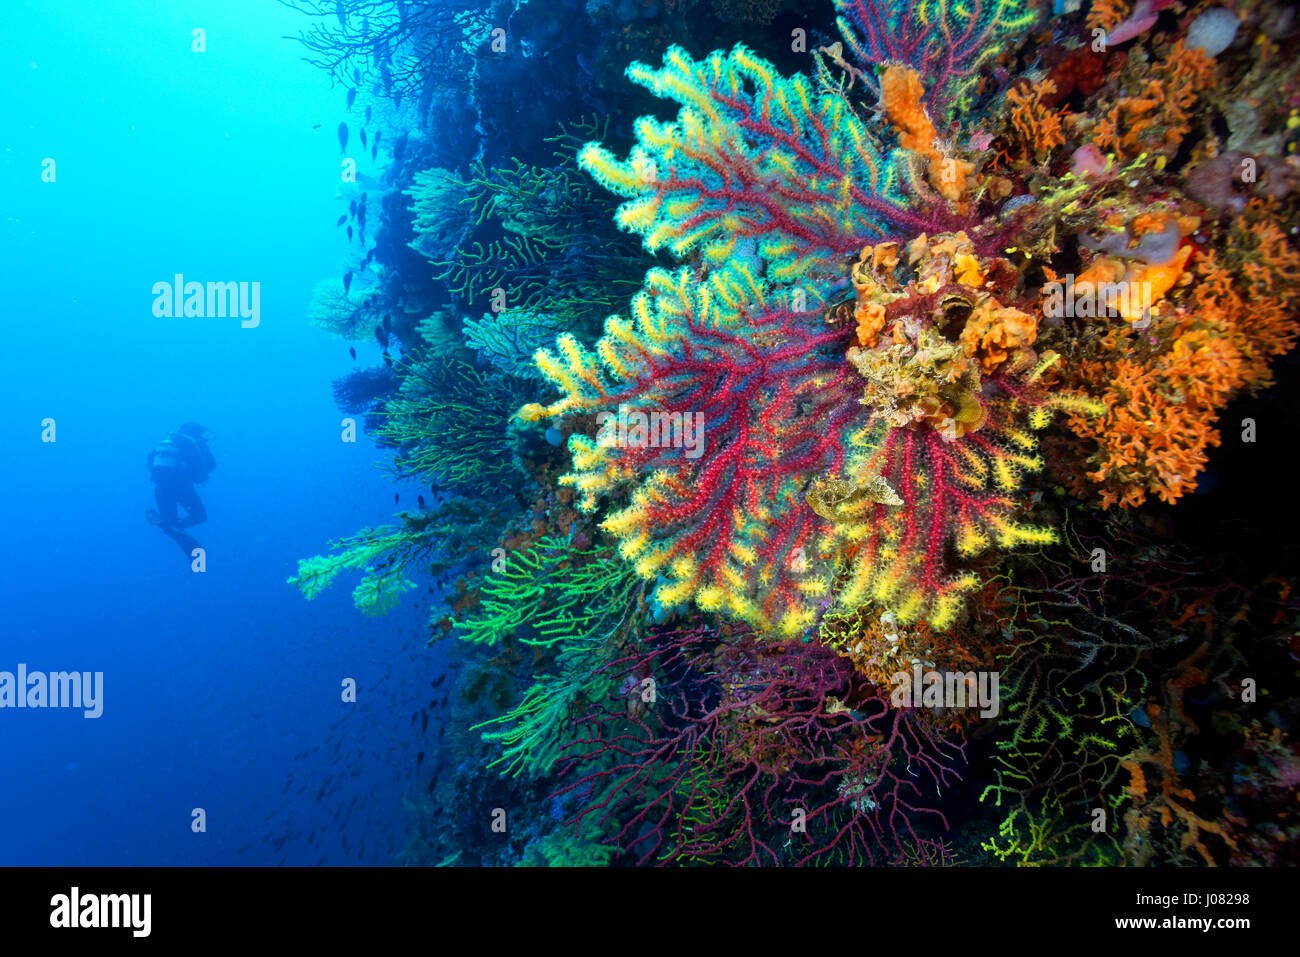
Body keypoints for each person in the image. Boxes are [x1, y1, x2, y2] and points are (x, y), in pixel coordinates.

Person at [146, 423, 216, 550]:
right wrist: (198, 477)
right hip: (181, 487)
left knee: (170, 520)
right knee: (200, 516)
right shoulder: (195, 443)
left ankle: (168, 524)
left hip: (160, 487)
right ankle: (176, 526)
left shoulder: (167, 443)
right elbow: (211, 465)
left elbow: (150, 459)